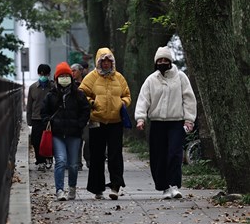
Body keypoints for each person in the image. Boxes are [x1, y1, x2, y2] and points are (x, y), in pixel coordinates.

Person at [135, 46, 197, 199]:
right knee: (159, 156)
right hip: (157, 123)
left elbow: (189, 99)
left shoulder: (181, 77)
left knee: (174, 153)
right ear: (156, 63)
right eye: (160, 60)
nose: (163, 62)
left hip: (176, 122)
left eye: (165, 60)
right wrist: (140, 118)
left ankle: (174, 185)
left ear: (170, 61)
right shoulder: (151, 80)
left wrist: (189, 119)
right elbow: (143, 100)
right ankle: (164, 187)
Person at [79, 48, 131, 200]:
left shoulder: (119, 78)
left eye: (109, 61)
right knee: (96, 156)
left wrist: (122, 103)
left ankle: (115, 186)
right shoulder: (91, 77)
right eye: (103, 61)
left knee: (115, 154)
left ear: (112, 62)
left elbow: (127, 94)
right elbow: (81, 93)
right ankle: (97, 188)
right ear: (98, 62)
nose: (106, 64)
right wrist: (92, 102)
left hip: (116, 122)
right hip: (97, 121)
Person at [41, 62, 90, 201]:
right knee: (61, 161)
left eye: (66, 76)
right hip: (57, 134)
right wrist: (49, 122)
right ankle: (59, 190)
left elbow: (86, 110)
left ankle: (72, 187)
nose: (64, 78)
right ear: (56, 78)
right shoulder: (51, 96)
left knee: (74, 165)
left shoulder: (78, 94)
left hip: (74, 134)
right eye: (61, 76)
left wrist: (80, 124)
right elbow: (44, 112)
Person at [27, 64, 55, 172]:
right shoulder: (33, 88)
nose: (43, 75)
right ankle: (40, 160)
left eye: (46, 73)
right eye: (42, 73)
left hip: (49, 118)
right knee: (36, 140)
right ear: (39, 74)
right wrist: (29, 120)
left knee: (49, 140)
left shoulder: (52, 87)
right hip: (36, 118)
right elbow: (29, 105)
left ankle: (49, 158)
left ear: (48, 74)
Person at [71, 63, 90, 171]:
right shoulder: (71, 85)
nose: (72, 73)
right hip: (74, 117)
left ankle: (88, 158)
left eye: (74, 71)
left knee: (88, 139)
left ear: (80, 71)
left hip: (87, 116)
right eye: (71, 71)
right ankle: (77, 162)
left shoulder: (88, 83)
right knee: (77, 140)